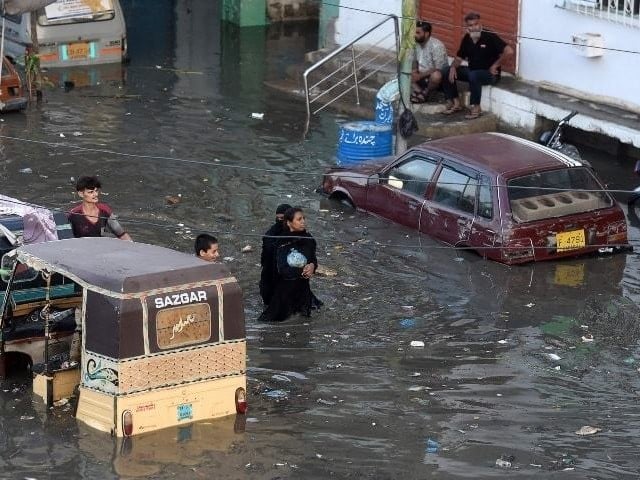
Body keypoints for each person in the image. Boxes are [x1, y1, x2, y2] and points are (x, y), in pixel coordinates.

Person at [442, 12, 513, 119]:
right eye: (470, 25)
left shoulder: (489, 36)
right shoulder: (467, 39)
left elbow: (509, 51)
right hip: (472, 71)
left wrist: (495, 65)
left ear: (480, 24)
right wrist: (453, 67)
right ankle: (455, 103)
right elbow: (459, 58)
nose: (474, 27)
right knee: (446, 70)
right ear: (467, 27)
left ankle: (476, 108)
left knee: (474, 75)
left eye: (476, 24)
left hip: (489, 74)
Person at [258, 207, 319, 322]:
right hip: (284, 295)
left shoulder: (309, 240)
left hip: (303, 292)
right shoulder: (280, 243)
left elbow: (313, 260)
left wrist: (312, 267)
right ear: (289, 223)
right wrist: (302, 271)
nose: (303, 222)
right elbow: (282, 270)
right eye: (299, 219)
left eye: (303, 218)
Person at [68, 176, 132, 240]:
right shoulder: (73, 215)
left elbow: (122, 234)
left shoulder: (105, 210)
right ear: (81, 194)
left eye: (96, 191)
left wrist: (132, 246)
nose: (95, 194)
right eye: (91, 192)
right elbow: (67, 241)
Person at [259, 203, 291, 305]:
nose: (280, 221)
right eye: (278, 218)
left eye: (283, 218)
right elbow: (265, 257)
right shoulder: (270, 234)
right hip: (270, 273)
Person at [411, 20, 448, 104]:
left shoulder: (437, 46)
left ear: (426, 34)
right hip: (421, 75)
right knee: (403, 69)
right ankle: (419, 91)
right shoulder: (416, 44)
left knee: (436, 75)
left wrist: (419, 76)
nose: (415, 35)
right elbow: (414, 60)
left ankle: (426, 93)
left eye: (418, 33)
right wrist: (414, 71)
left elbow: (437, 68)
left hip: (435, 78)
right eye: (414, 32)